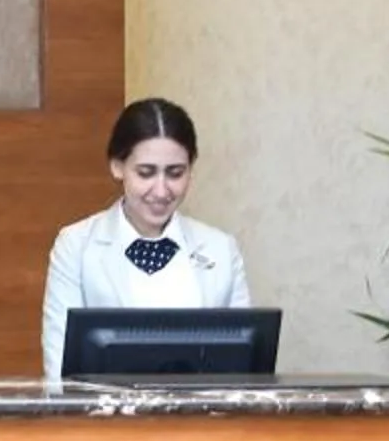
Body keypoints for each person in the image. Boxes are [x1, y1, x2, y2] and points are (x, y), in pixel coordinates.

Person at [41, 97, 251, 381]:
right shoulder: (75, 246)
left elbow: (244, 366)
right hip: (104, 422)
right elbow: (60, 369)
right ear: (117, 166)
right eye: (146, 173)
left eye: (175, 173)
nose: (161, 190)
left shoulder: (221, 249)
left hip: (201, 421)